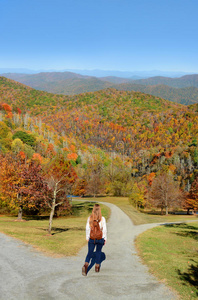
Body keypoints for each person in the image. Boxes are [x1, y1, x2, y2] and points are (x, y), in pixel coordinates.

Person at [82, 203, 107, 276]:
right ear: (100, 210)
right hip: (100, 238)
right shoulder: (102, 219)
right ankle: (97, 267)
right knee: (98, 252)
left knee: (90, 252)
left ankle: (86, 265)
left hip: (92, 238)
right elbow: (104, 230)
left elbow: (87, 228)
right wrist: (105, 238)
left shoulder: (90, 218)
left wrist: (87, 237)